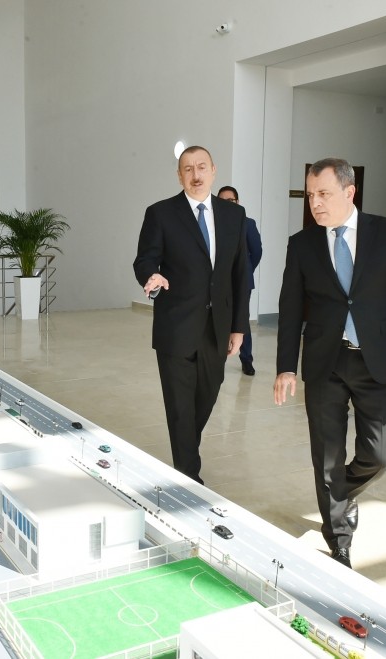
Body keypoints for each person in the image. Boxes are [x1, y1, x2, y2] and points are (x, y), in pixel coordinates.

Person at [273, 157, 386, 568]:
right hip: (325, 361)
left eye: (323, 194)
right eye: (310, 195)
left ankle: (342, 494)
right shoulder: (302, 244)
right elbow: (290, 308)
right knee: (326, 457)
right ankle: (339, 541)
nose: (315, 203)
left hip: (376, 360)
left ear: (349, 192)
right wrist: (286, 366)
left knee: (379, 455)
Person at [133, 146, 250, 485]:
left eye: (201, 167)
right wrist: (151, 276)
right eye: (188, 169)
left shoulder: (234, 215)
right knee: (180, 407)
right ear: (179, 175)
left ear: (213, 170)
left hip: (217, 327)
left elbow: (240, 274)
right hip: (176, 325)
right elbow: (144, 259)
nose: (195, 175)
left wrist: (239, 327)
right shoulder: (161, 213)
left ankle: (185, 449)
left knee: (207, 396)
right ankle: (188, 476)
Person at [217, 185, 263, 375]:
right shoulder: (213, 224)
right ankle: (218, 359)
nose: (227, 204)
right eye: (222, 201)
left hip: (242, 283)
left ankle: (246, 360)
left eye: (231, 200)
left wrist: (245, 271)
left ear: (238, 202)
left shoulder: (248, 223)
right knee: (219, 320)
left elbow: (257, 251)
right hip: (219, 282)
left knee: (241, 319)